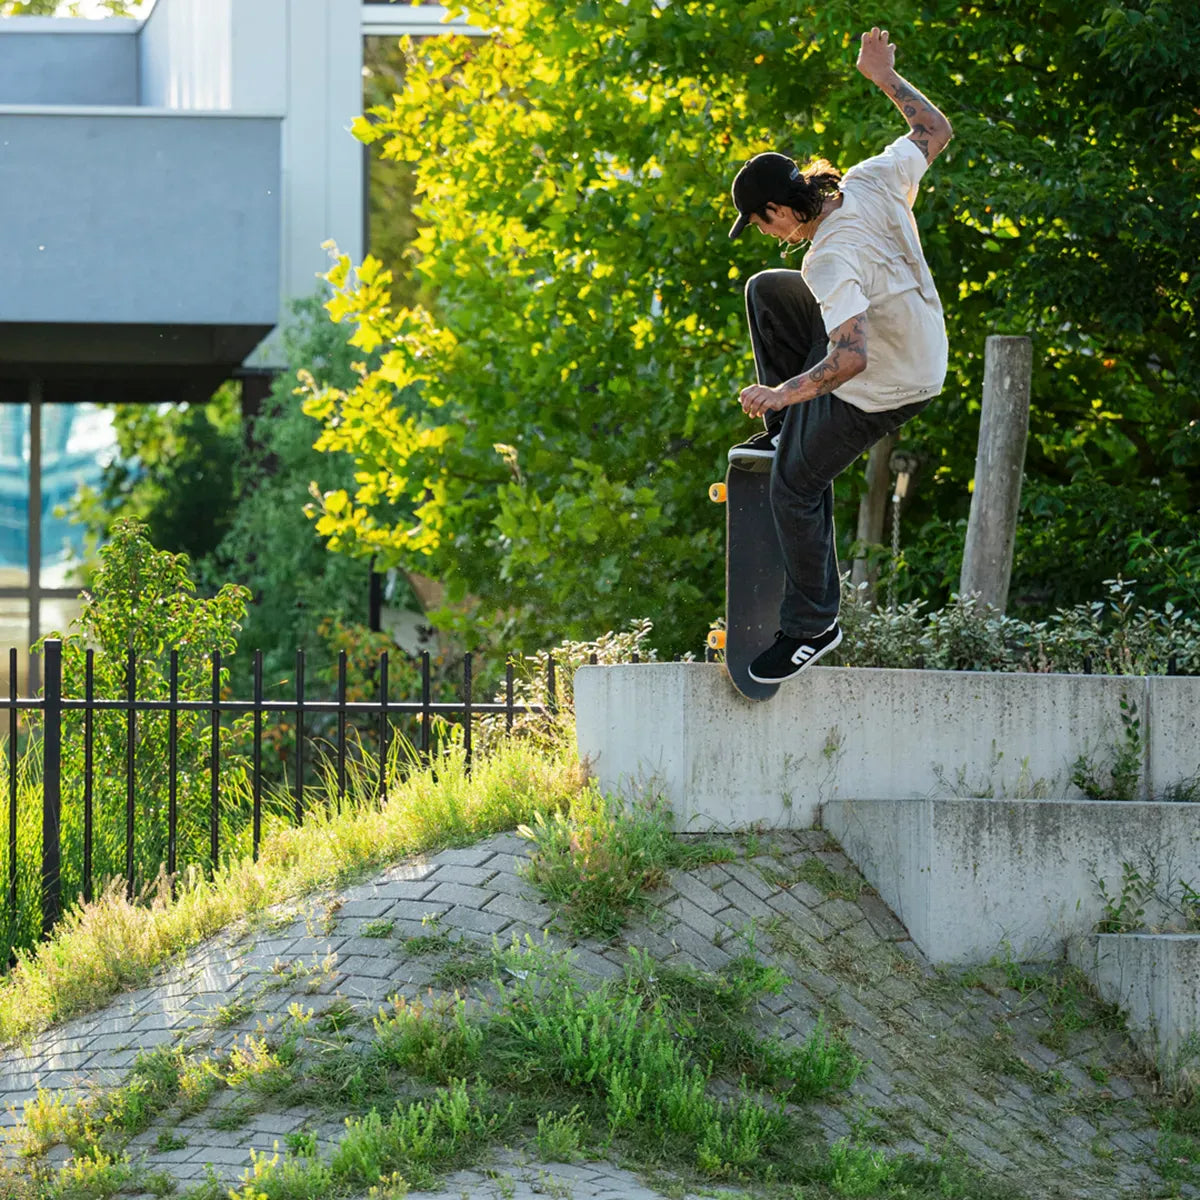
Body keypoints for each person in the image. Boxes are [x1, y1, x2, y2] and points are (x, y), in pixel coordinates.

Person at [726, 27, 952, 685]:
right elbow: (934, 130)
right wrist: (883, 76)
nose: (767, 236)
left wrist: (779, 393)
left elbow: (849, 360)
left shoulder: (828, 256)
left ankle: (811, 625)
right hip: (908, 333)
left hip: (892, 377)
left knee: (795, 483)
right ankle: (783, 435)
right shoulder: (873, 177)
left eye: (763, 224)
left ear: (778, 208)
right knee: (769, 290)